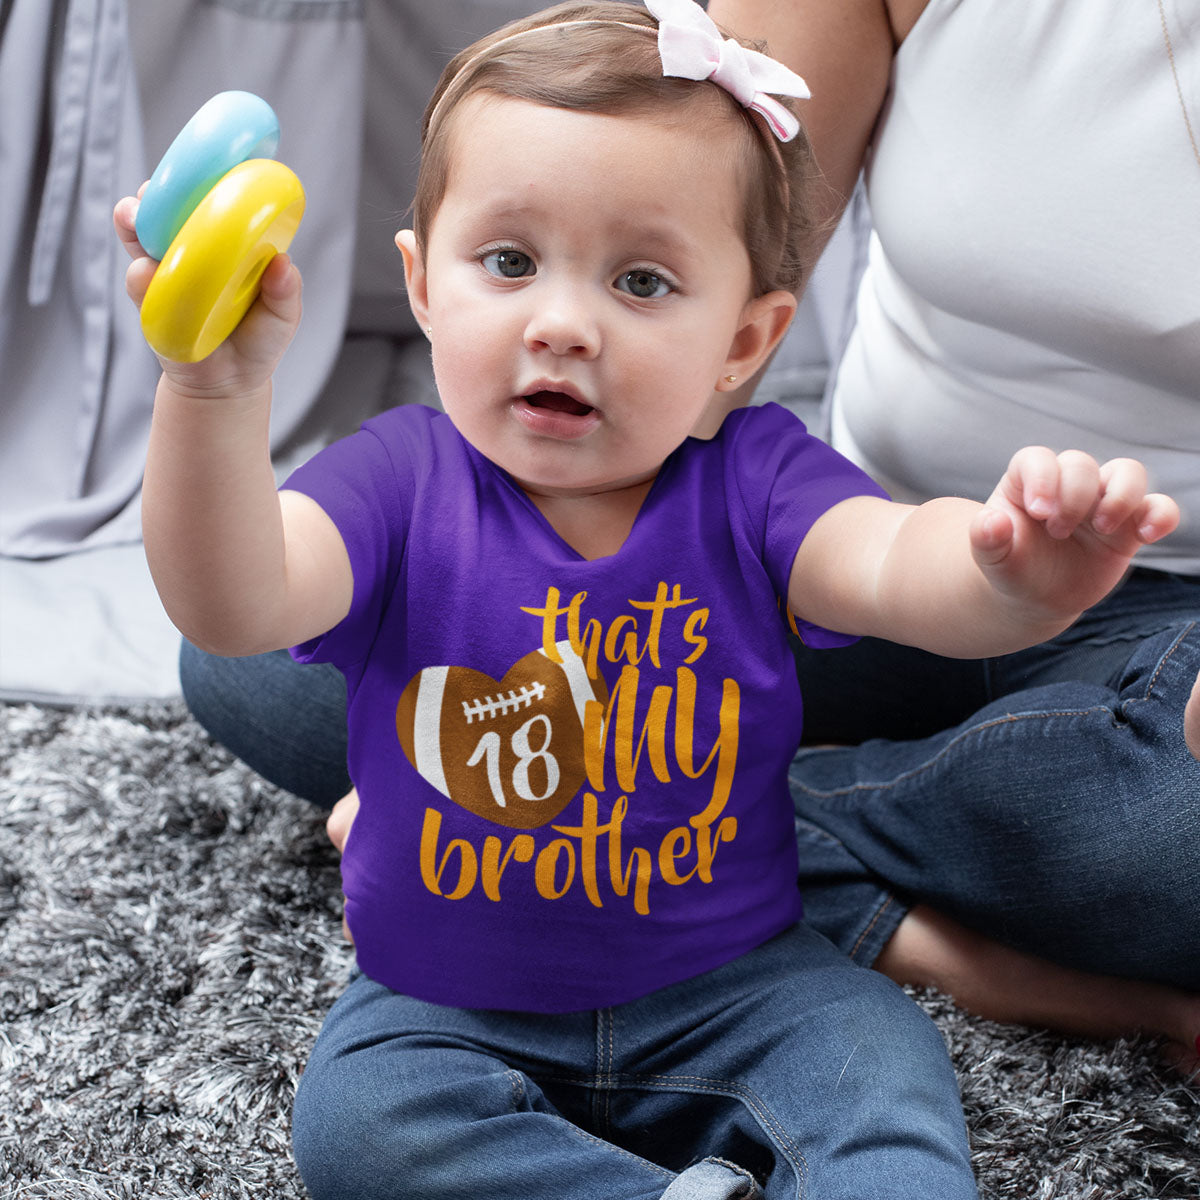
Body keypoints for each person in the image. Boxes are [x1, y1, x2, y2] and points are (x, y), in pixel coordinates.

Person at [116, 1, 1184, 1193]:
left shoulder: (758, 479)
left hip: (742, 986)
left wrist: (1004, 571)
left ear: (745, 338)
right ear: (422, 284)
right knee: (365, 1126)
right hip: (448, 1003)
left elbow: (890, 562)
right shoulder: (396, 479)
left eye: (641, 281)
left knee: (882, 1082)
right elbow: (235, 605)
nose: (563, 324)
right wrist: (209, 395)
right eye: (509, 263)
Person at [700, 0, 1200, 1069]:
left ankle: (637, 820)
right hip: (865, 541)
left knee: (1180, 849)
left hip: (1178, 631)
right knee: (292, 657)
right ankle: (925, 891)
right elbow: (698, 259)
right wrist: (566, 573)